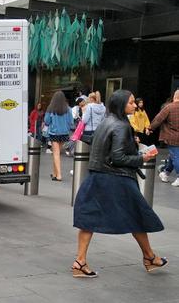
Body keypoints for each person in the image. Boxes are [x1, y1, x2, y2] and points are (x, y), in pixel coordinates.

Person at [72, 90, 166, 278]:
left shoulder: (105, 122)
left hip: (97, 176)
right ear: (121, 104)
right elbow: (118, 157)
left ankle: (80, 262)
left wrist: (130, 142)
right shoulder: (122, 125)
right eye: (131, 102)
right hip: (117, 178)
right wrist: (142, 157)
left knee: (89, 217)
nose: (134, 105)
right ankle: (149, 256)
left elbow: (105, 147)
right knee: (137, 216)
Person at [148, 90, 179, 185]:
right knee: (173, 156)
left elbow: (158, 119)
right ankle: (165, 173)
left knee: (175, 156)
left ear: (175, 96)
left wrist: (150, 128)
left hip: (172, 137)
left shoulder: (169, 107)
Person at [44, 91, 73, 181]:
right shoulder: (68, 109)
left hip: (54, 133)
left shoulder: (51, 108)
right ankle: (54, 173)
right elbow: (71, 122)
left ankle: (59, 175)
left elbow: (47, 121)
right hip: (64, 133)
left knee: (56, 153)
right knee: (56, 153)